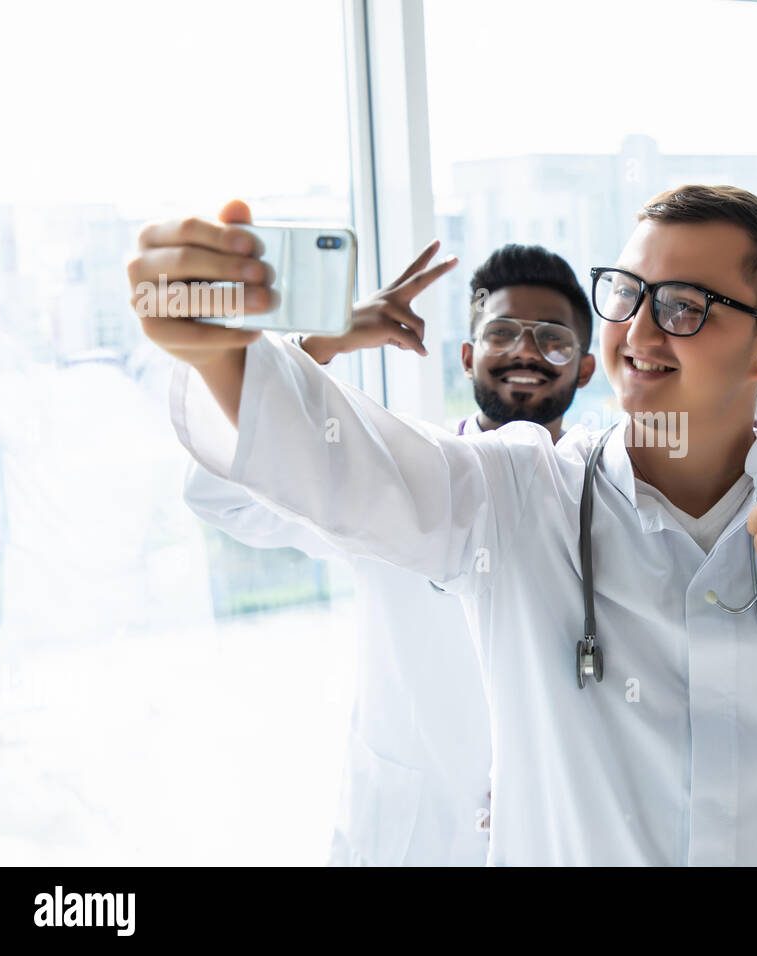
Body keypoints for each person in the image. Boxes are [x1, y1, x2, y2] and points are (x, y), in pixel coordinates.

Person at [130, 186, 757, 866]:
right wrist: (222, 351)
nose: (635, 331)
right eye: (625, 295)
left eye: (682, 306)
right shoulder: (517, 492)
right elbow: (343, 466)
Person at [180, 240, 596, 866]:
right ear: (467, 356)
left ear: (585, 368)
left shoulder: (609, 493)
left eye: (552, 339)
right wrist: (326, 340)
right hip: (412, 836)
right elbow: (221, 492)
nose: (524, 352)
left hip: (561, 833)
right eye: (502, 332)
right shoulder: (394, 476)